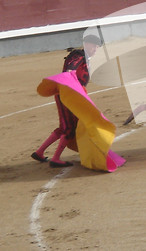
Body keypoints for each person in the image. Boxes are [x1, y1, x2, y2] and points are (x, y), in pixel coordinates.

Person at [31, 34, 102, 168]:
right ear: (86, 44)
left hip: (73, 94)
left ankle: (39, 152)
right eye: (93, 46)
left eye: (97, 47)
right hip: (68, 94)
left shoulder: (85, 58)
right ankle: (56, 158)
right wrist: (73, 89)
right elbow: (69, 72)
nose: (95, 49)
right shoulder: (78, 56)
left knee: (64, 126)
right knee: (70, 127)